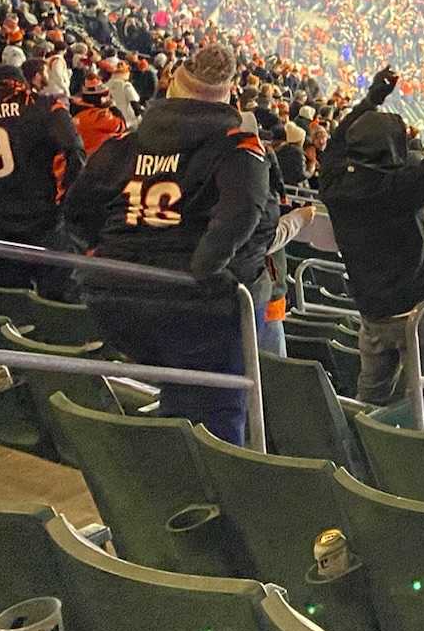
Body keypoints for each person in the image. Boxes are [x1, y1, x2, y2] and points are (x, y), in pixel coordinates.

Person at [63, 45, 274, 444]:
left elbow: (77, 209)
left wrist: (108, 253)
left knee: (177, 396)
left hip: (115, 298)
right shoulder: (237, 148)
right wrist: (206, 269)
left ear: (175, 85)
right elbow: (242, 211)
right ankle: (213, 493)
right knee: (217, 414)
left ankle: (165, 475)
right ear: (229, 94)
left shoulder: (126, 143)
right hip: (193, 307)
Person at [318, 65, 424, 424]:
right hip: (419, 311)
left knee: (370, 399)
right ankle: (414, 442)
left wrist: (372, 98)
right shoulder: (399, 190)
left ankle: (363, 446)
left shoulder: (333, 184)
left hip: (372, 312)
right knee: (423, 398)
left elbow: (337, 139)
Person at [0, 58, 85, 294]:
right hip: (43, 221)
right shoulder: (45, 105)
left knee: (9, 302)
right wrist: (65, 199)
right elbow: (73, 150)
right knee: (56, 303)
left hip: (0, 227)